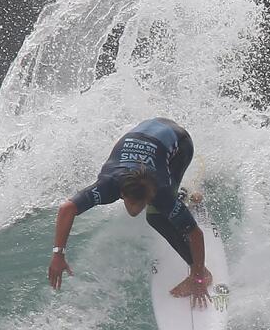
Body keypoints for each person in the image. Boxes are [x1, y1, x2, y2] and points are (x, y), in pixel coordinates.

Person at [48, 117, 212, 304]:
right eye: (131, 203)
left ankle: (203, 272)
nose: (134, 211)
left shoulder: (159, 191)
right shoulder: (108, 185)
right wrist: (58, 254)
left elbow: (195, 234)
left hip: (179, 143)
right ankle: (182, 199)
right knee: (160, 210)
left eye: (140, 204)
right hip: (148, 132)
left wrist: (198, 276)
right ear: (122, 194)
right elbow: (66, 209)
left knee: (156, 217)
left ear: (148, 196)